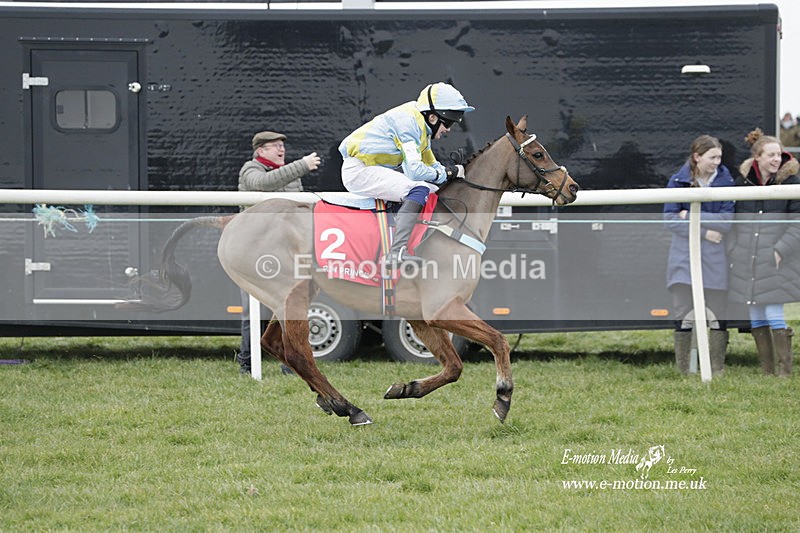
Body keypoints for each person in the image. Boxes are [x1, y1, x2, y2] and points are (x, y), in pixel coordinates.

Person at [338, 82, 474, 268]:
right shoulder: (408, 124)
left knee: (433, 191)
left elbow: (432, 165)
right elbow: (415, 172)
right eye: (448, 123)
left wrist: (450, 173)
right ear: (433, 117)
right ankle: (396, 252)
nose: (449, 129)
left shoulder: (421, 126)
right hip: (358, 171)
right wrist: (448, 172)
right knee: (418, 189)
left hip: (372, 169)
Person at [236, 131, 321, 375]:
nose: (281, 149)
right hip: (253, 254)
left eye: (282, 145)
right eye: (275, 146)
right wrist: (302, 165)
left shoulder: (289, 174)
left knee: (289, 309)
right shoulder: (250, 170)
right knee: (251, 312)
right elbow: (264, 184)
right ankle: (247, 363)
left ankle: (290, 364)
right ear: (260, 151)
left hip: (285, 253)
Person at [728, 128, 800, 377]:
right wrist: (734, 249)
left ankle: (784, 371)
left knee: (773, 311)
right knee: (755, 312)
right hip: (747, 257)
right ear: (757, 157)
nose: (776, 159)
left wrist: (780, 250)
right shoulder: (742, 182)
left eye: (779, 155)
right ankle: (768, 371)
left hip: (777, 259)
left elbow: (798, 223)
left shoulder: (792, 183)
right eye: (771, 155)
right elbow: (733, 220)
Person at [664, 135, 735, 375]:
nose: (717, 162)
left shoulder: (727, 183)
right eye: (712, 157)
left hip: (715, 259)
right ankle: (684, 370)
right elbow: (670, 219)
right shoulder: (677, 181)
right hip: (683, 258)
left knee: (717, 313)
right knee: (683, 312)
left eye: (719, 157)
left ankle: (716, 369)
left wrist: (690, 215)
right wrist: (705, 233)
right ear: (697, 157)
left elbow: (726, 221)